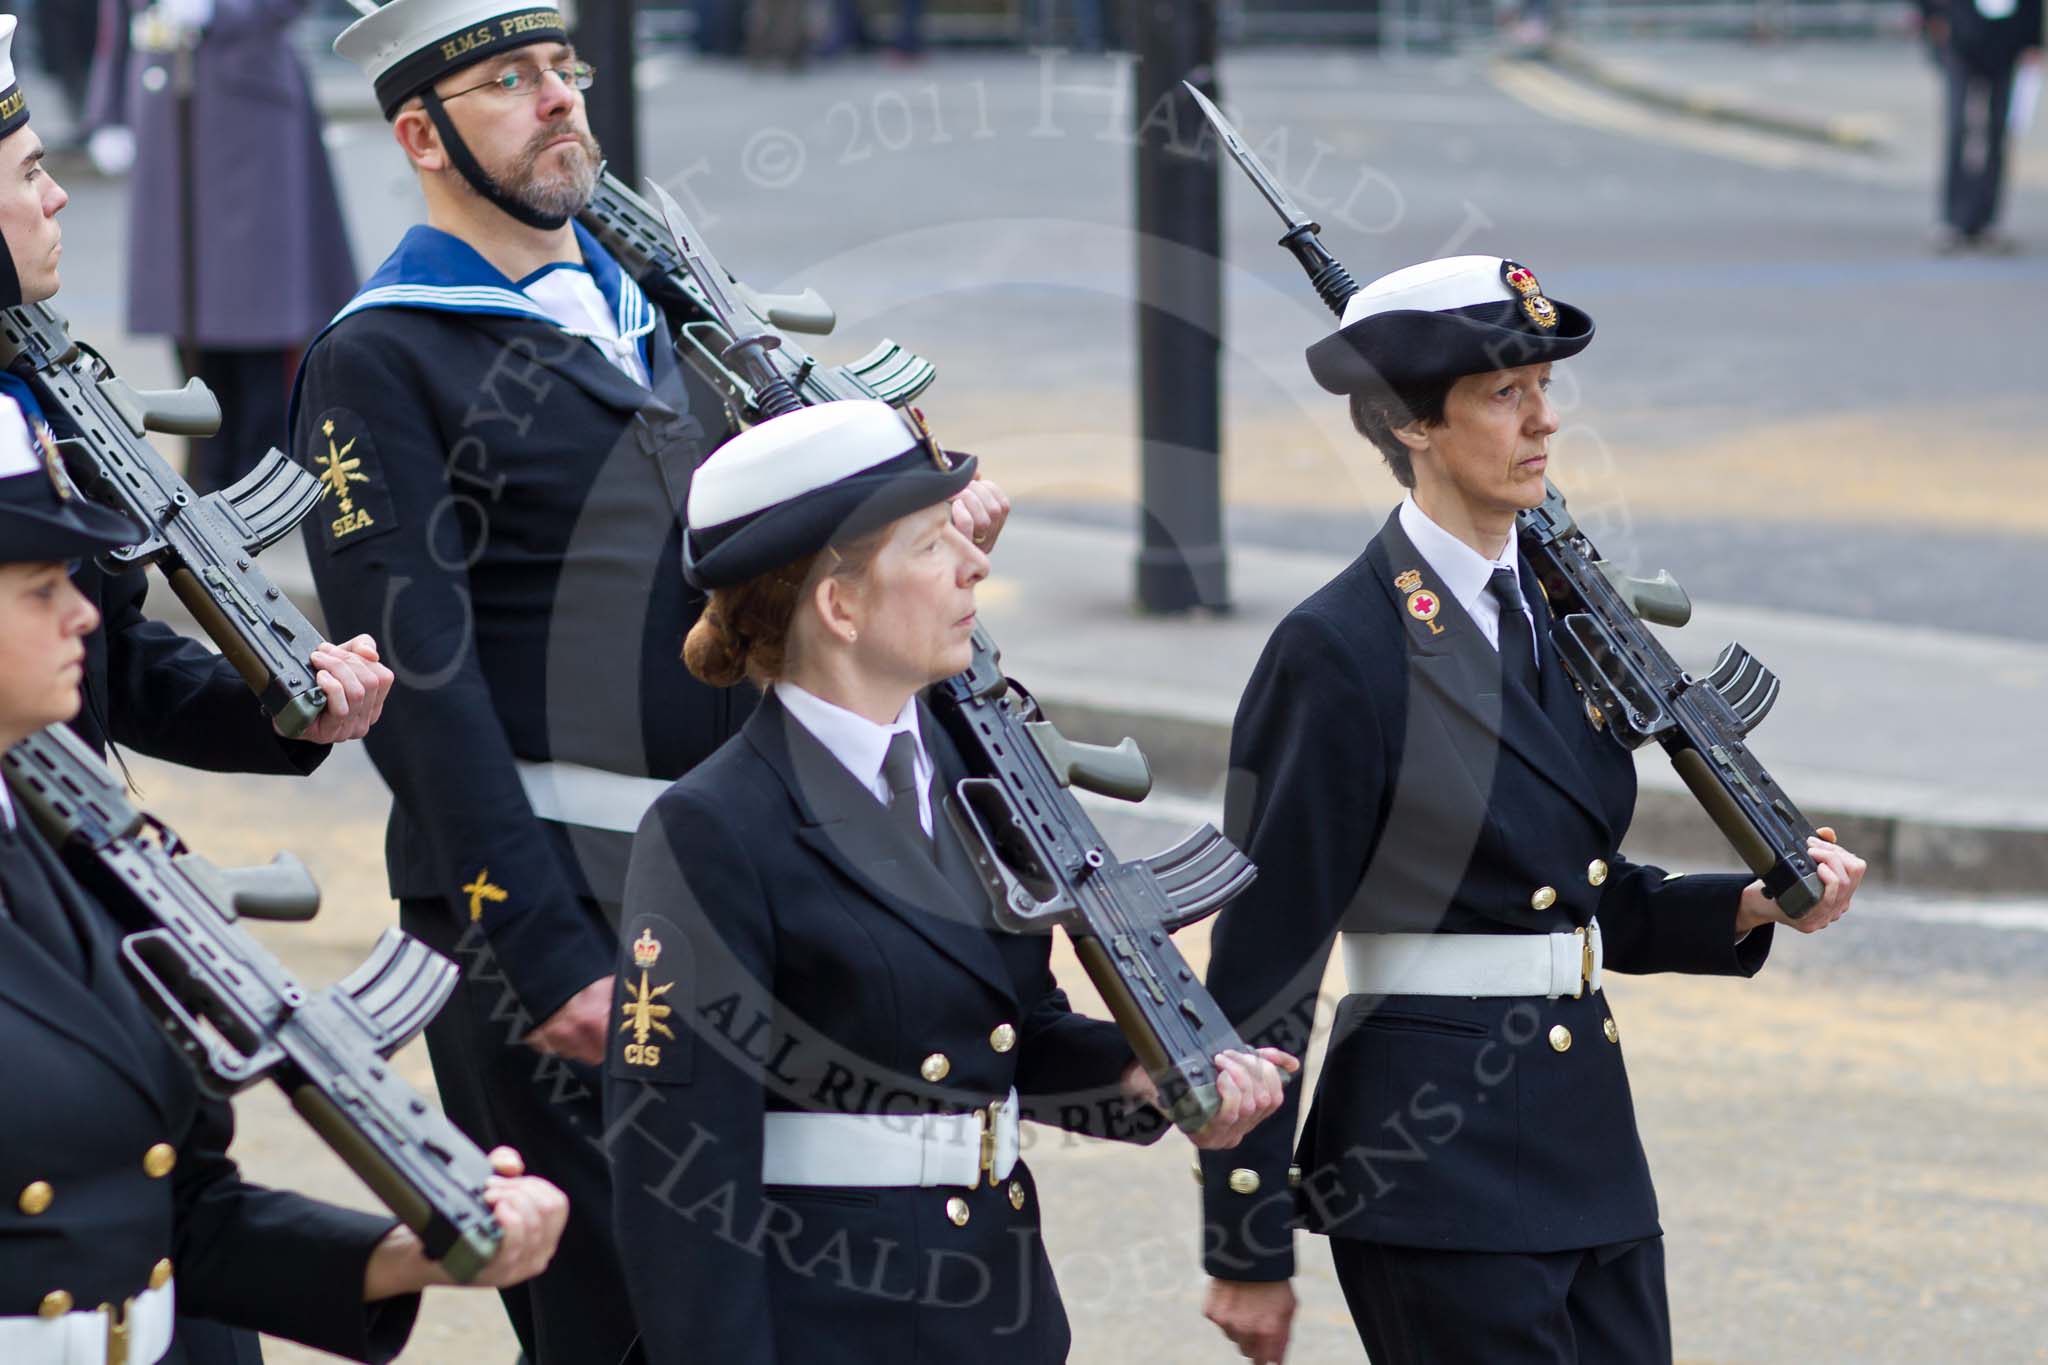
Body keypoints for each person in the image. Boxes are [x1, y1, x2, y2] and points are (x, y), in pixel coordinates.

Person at [303, 2, 1006, 1356]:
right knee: (622, 1328)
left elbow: (780, 600)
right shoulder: (381, 356)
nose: (559, 98)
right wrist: (545, 948)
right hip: (560, 920)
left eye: (563, 68)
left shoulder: (670, 318)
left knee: (784, 1308)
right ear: (420, 134)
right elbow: (424, 689)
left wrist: (923, 543)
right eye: (508, 80)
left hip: (753, 893)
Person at [1195, 255, 1867, 1365]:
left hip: (1585, 1146)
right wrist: (1244, 1242)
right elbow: (1263, 967)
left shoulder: (1557, 620)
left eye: (1542, 391)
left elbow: (1568, 894)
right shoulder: (1340, 649)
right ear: (1411, 425)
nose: (1543, 423)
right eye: (1505, 395)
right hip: (1432, 1163)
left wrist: (1744, 907)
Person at [603, 397, 1298, 1362]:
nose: (975, 563)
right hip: (834, 1323)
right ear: (839, 605)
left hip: (995, 1306)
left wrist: (1146, 1076)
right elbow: (675, 1169)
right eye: (931, 545)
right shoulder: (712, 830)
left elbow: (1011, 1030)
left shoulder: (968, 775)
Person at [0, 401, 569, 1365]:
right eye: (42, 586)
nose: (85, 612)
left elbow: (175, 1213)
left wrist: (408, 1252)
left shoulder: (69, 855)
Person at [0, 14, 391, 773]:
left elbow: (110, 660)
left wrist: (283, 708)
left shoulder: (32, 386)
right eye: (26, 173)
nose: (56, 197)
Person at [124, 0, 358, 493]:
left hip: (250, 99)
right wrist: (107, 104)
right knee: (182, 290)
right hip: (167, 93)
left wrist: (223, 10)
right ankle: (206, 460)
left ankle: (260, 468)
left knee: (259, 302)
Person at [1919, 0, 2043, 251]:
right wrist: (1932, 17)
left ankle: (1986, 221)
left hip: (2007, 42)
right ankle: (1952, 219)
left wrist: (2034, 41)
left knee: (1997, 132)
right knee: (1958, 128)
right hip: (1962, 36)